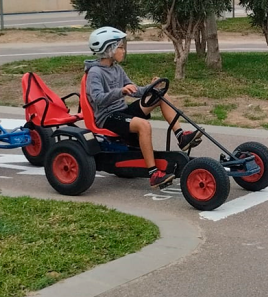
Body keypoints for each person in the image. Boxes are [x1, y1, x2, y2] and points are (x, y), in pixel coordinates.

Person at [84, 26, 201, 189]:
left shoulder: (117, 69)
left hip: (122, 112)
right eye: (120, 47)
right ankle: (154, 174)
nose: (123, 51)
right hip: (108, 118)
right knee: (143, 125)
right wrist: (121, 91)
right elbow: (97, 100)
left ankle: (181, 136)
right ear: (108, 49)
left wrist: (152, 87)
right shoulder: (95, 72)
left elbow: (135, 91)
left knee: (161, 96)